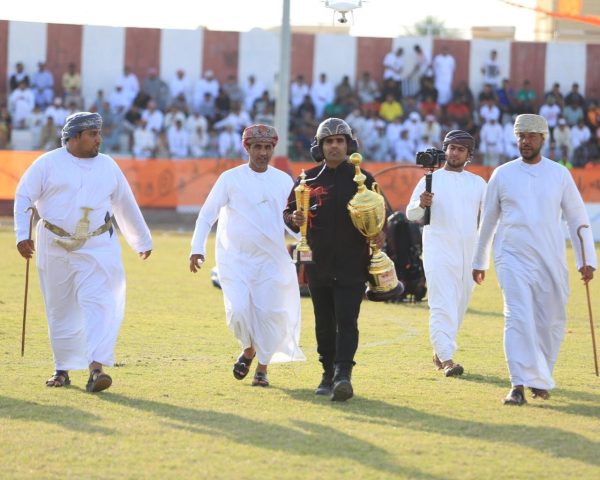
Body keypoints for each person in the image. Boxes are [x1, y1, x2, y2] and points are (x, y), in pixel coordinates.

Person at [14, 112, 152, 393]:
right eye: (93, 134)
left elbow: (124, 203)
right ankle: (62, 370)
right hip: (54, 244)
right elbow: (24, 197)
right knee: (60, 307)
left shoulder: (108, 166)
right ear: (74, 137)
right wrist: (22, 235)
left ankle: (96, 369)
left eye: (99, 133)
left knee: (99, 303)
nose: (99, 139)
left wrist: (141, 240)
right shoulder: (47, 164)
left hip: (97, 244)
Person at [472, 114, 596, 405]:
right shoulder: (502, 174)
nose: (525, 141)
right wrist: (480, 261)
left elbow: (577, 218)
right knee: (517, 317)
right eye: (521, 136)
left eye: (531, 136)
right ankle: (517, 384)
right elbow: (487, 221)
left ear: (543, 139)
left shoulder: (559, 174)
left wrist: (586, 259)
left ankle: (539, 379)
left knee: (551, 321)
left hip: (550, 257)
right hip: (511, 256)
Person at [189, 124, 305, 387]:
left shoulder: (284, 181)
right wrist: (197, 248)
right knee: (239, 311)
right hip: (236, 260)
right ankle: (249, 348)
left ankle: (262, 368)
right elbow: (207, 215)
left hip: (272, 261)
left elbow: (289, 221)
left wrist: (304, 237)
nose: (263, 153)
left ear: (273, 149)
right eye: (258, 147)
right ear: (247, 148)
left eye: (268, 147)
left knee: (270, 315)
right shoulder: (230, 179)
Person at [283, 117, 377, 402]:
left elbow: (380, 216)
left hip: (353, 265)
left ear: (349, 145)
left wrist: (379, 235)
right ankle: (326, 373)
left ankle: (343, 375)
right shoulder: (307, 180)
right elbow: (288, 213)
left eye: (339, 141)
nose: (334, 146)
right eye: (329, 141)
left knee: (348, 320)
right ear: (319, 146)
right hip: (318, 265)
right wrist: (293, 218)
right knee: (323, 323)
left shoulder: (365, 180)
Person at [406, 130, 486, 377]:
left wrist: (482, 259)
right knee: (442, 303)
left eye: (461, 149)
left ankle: (440, 351)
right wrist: (421, 204)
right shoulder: (431, 180)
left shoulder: (478, 183)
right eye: (451, 148)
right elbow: (411, 214)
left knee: (459, 304)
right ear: (445, 150)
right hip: (438, 249)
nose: (455, 153)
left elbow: (489, 218)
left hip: (468, 253)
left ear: (469, 155)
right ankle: (447, 359)